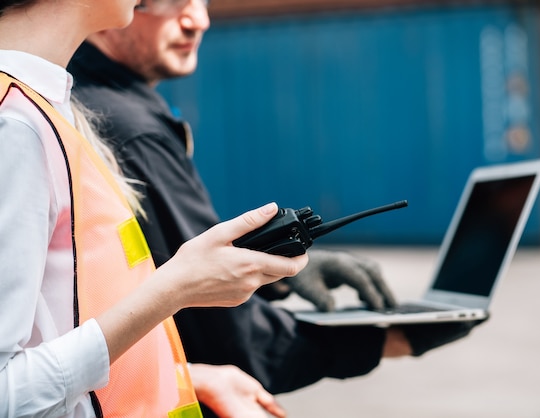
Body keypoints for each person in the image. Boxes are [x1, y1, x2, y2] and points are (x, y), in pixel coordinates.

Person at [68, 0, 486, 415]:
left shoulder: (80, 99)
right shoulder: (131, 130)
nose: (199, 20)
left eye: (202, 0)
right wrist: (389, 339)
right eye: (173, 2)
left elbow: (154, 267)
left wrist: (276, 276)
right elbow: (228, 340)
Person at [0, 0, 309, 416]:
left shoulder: (40, 105)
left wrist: (188, 374)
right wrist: (174, 289)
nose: (198, 17)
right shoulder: (15, 125)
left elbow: (53, 329)